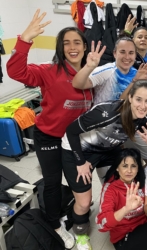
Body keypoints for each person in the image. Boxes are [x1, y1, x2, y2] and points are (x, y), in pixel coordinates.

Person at [6, 10, 94, 249]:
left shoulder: (91, 72)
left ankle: (76, 215)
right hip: (50, 137)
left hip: (77, 141)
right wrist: (25, 40)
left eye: (77, 42)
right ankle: (55, 225)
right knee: (53, 183)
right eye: (66, 43)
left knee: (80, 183)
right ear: (60, 48)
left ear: (85, 47)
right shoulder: (49, 70)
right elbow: (16, 72)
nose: (72, 47)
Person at [61, 80, 147, 249]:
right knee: (84, 202)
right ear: (129, 98)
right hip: (77, 149)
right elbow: (71, 131)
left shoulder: (144, 118)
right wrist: (80, 162)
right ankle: (80, 234)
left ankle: (113, 218)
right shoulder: (107, 112)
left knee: (116, 184)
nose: (143, 106)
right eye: (138, 99)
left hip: (107, 150)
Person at [72, 32, 147, 105]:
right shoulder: (107, 71)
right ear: (115, 53)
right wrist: (89, 67)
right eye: (122, 52)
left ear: (135, 55)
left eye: (131, 53)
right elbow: (77, 84)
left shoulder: (137, 74)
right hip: (103, 118)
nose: (127, 57)